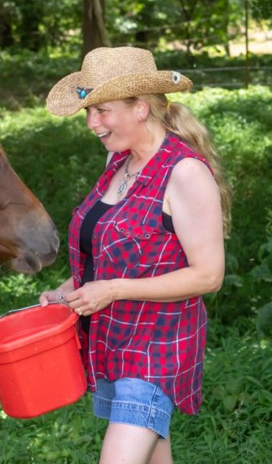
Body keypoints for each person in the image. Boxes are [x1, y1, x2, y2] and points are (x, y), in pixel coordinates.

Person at [39, 46, 231, 464]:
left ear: (141, 108)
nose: (92, 123)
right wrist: (65, 291)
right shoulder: (117, 161)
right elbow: (110, 255)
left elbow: (208, 276)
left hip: (157, 349)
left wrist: (113, 289)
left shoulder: (184, 173)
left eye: (102, 111)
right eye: (89, 111)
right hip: (112, 343)